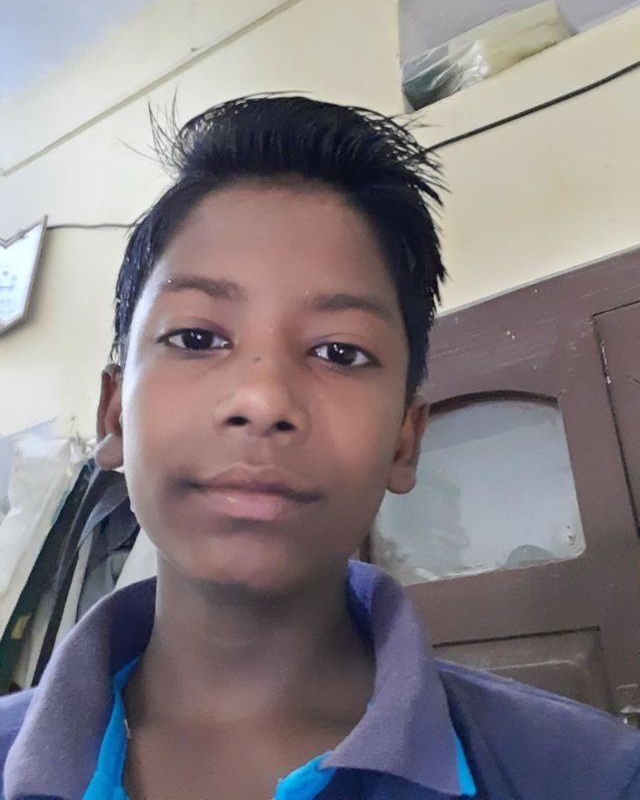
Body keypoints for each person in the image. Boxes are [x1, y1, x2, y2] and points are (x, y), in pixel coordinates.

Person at [1, 95, 639, 800]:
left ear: (405, 438)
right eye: (197, 337)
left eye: (339, 351)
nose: (263, 400)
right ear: (115, 412)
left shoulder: (592, 775)